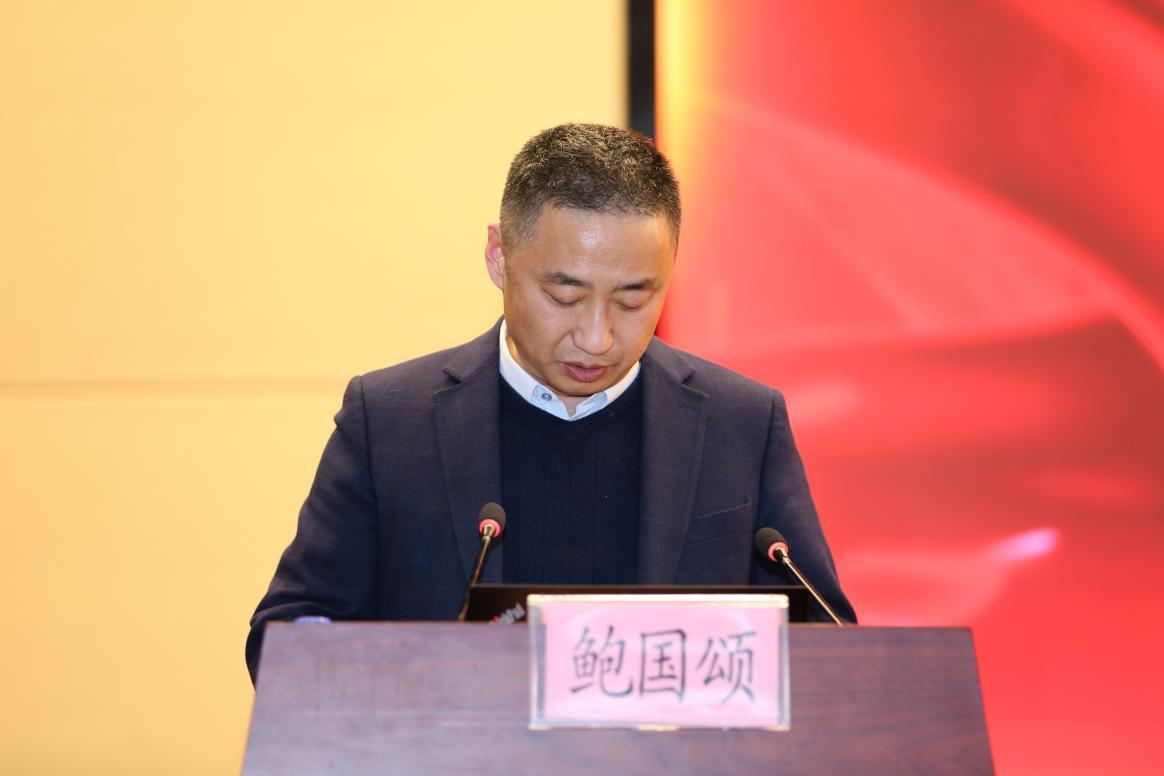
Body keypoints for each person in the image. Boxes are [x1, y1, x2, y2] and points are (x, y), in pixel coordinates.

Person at [247, 123, 854, 683]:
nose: (597, 337)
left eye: (633, 300)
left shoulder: (740, 424)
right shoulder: (389, 420)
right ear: (499, 257)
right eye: (566, 297)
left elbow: (831, 649)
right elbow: (287, 634)